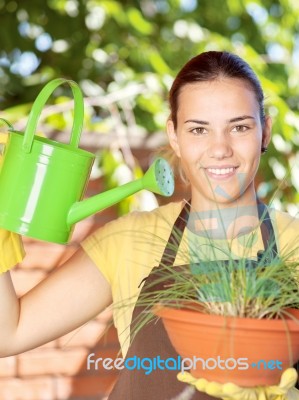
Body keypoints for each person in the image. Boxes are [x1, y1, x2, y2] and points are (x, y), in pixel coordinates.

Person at [1, 51, 299, 400]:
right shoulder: (129, 240)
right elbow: (9, 333)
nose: (220, 149)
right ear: (174, 136)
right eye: (199, 129)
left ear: (265, 132)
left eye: (240, 127)